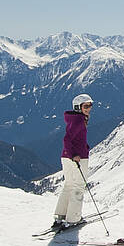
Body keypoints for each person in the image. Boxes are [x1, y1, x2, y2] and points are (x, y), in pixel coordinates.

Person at [51, 94, 93, 232]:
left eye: (90, 105)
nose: (89, 108)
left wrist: (70, 153)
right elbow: (67, 139)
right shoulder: (79, 120)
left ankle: (60, 215)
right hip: (77, 158)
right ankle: (73, 219)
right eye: (86, 106)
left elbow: (69, 140)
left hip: (67, 157)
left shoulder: (73, 119)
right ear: (78, 107)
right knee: (78, 186)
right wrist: (74, 154)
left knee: (69, 185)